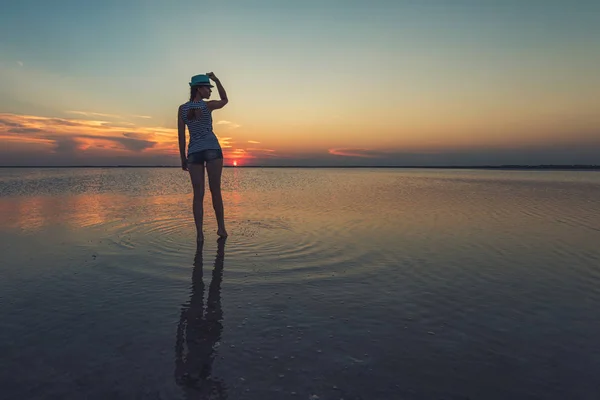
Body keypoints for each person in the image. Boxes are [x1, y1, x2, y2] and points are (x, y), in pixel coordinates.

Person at [178, 72, 229, 242]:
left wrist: (183, 158)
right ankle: (221, 229)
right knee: (216, 191)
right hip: (212, 150)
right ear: (199, 89)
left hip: (193, 153)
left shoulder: (182, 109)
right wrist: (217, 79)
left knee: (198, 195)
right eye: (208, 88)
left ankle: (199, 234)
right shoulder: (207, 106)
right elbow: (225, 100)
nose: (210, 91)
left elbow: (181, 136)